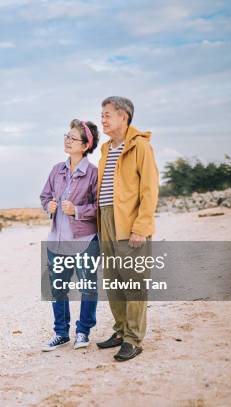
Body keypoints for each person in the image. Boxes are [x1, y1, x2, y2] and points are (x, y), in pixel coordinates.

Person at [95, 96, 159, 361]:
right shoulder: (106, 149)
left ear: (124, 117)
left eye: (107, 114)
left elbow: (149, 190)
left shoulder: (141, 147)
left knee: (134, 283)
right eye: (102, 115)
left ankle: (133, 338)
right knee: (112, 280)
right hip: (107, 221)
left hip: (130, 223)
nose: (103, 119)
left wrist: (141, 227)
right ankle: (121, 330)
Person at [39, 119, 100, 351]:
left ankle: (83, 332)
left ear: (85, 145)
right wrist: (49, 207)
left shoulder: (93, 173)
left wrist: (77, 210)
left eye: (72, 138)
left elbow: (99, 207)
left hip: (84, 241)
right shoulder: (57, 170)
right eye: (66, 136)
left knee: (88, 287)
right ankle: (61, 333)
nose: (67, 140)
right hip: (57, 240)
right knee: (58, 287)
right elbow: (44, 197)